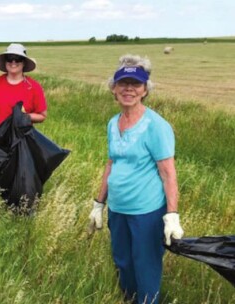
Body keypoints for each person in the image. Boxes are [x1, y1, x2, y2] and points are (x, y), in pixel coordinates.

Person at [88, 54, 185, 304]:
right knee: (123, 263)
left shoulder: (156, 126)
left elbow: (168, 173)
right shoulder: (113, 123)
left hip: (147, 212)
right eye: (123, 83)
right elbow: (111, 164)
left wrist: (171, 215)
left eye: (136, 84)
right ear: (113, 88)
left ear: (144, 90)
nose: (129, 89)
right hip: (118, 209)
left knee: (145, 266)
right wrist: (99, 204)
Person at [0, 43, 47, 190]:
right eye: (9, 58)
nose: (13, 62)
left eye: (17, 59)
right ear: (5, 62)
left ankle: (10, 211)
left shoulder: (33, 87)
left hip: (16, 144)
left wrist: (26, 116)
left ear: (23, 63)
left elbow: (42, 116)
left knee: (13, 184)